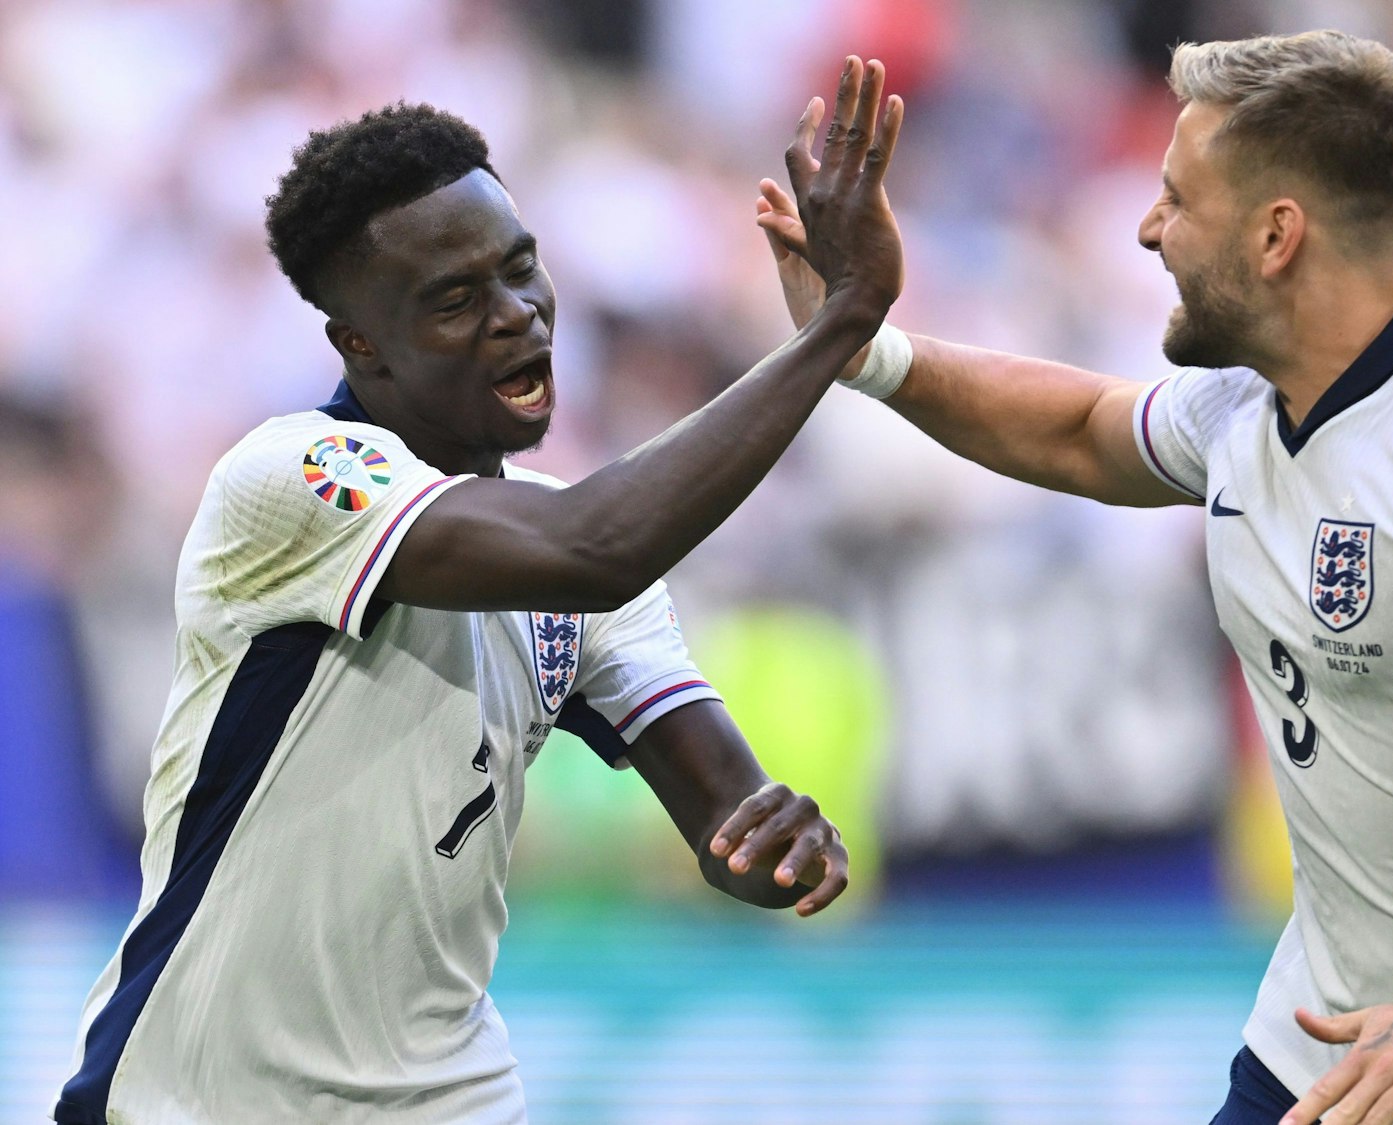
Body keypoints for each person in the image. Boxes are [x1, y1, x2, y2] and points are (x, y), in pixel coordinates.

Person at [756, 31, 1393, 1125]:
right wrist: (865, 351)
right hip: (1324, 1042)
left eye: (1177, 198)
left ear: (1277, 236)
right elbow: (1084, 430)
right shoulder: (1249, 404)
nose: (1145, 228)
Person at [55, 58, 905, 1124]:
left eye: (520, 269)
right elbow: (599, 543)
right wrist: (838, 326)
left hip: (451, 1101)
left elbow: (726, 828)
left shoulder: (577, 548)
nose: (517, 316)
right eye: (455, 300)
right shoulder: (290, 482)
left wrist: (771, 845)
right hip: (203, 1102)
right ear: (360, 346)